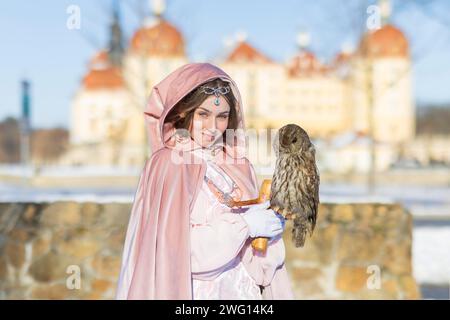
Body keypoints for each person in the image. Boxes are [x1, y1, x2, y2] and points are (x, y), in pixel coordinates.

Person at [115, 62, 294, 300]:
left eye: (222, 116)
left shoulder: (237, 166)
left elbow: (258, 268)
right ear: (183, 112)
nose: (212, 127)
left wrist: (268, 232)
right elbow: (176, 253)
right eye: (203, 114)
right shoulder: (169, 163)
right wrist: (245, 226)